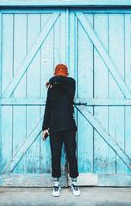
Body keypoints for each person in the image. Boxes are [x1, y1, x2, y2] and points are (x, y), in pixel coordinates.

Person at [42, 63, 80, 197]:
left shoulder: (70, 84)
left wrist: (53, 80)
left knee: (71, 155)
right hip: (55, 128)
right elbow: (48, 109)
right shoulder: (51, 89)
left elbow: (65, 81)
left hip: (69, 126)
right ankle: (56, 182)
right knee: (55, 156)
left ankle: (74, 181)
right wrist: (44, 128)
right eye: (58, 75)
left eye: (61, 75)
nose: (60, 78)